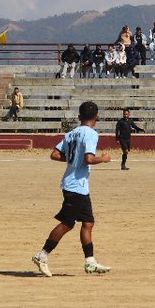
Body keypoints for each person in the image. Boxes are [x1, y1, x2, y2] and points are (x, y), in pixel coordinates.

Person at [31, 100, 112, 276]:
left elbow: (54, 154)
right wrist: (103, 158)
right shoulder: (90, 134)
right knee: (67, 224)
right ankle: (42, 255)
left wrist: (71, 160)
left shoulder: (72, 133)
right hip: (75, 185)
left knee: (88, 222)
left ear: (79, 117)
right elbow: (89, 159)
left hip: (80, 186)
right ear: (96, 117)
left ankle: (90, 261)